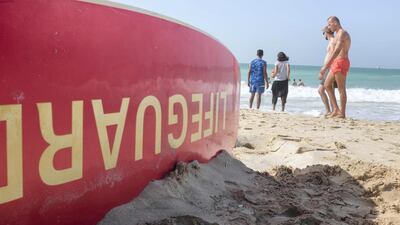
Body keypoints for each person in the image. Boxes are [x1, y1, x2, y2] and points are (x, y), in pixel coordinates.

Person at [319, 16, 351, 119]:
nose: (328, 27)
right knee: (327, 85)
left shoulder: (342, 33)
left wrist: (325, 66)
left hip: (341, 62)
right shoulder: (337, 34)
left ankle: (342, 113)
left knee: (341, 89)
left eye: (329, 24)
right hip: (336, 62)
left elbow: (337, 51)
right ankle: (336, 109)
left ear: (335, 23)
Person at [318, 26, 336, 115]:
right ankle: (331, 111)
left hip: (330, 67)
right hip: (328, 67)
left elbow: (333, 56)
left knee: (324, 90)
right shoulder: (331, 42)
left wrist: (324, 69)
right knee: (327, 90)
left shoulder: (332, 41)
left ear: (326, 32)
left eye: (323, 33)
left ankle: (332, 111)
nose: (323, 35)